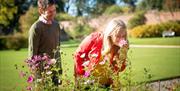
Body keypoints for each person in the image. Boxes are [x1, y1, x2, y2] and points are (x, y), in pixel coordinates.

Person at [74, 19, 129, 87]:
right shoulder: (94, 38)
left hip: (108, 83)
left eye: (123, 36)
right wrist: (82, 76)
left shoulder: (121, 46)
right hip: (90, 80)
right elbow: (78, 54)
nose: (121, 39)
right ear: (110, 34)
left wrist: (123, 54)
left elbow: (120, 69)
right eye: (117, 36)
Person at [28, 0, 62, 86]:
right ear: (41, 11)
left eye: (54, 10)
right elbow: (32, 53)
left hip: (55, 70)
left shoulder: (56, 25)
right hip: (42, 72)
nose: (53, 13)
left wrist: (59, 69)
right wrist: (36, 75)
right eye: (50, 11)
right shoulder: (36, 28)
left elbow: (58, 49)